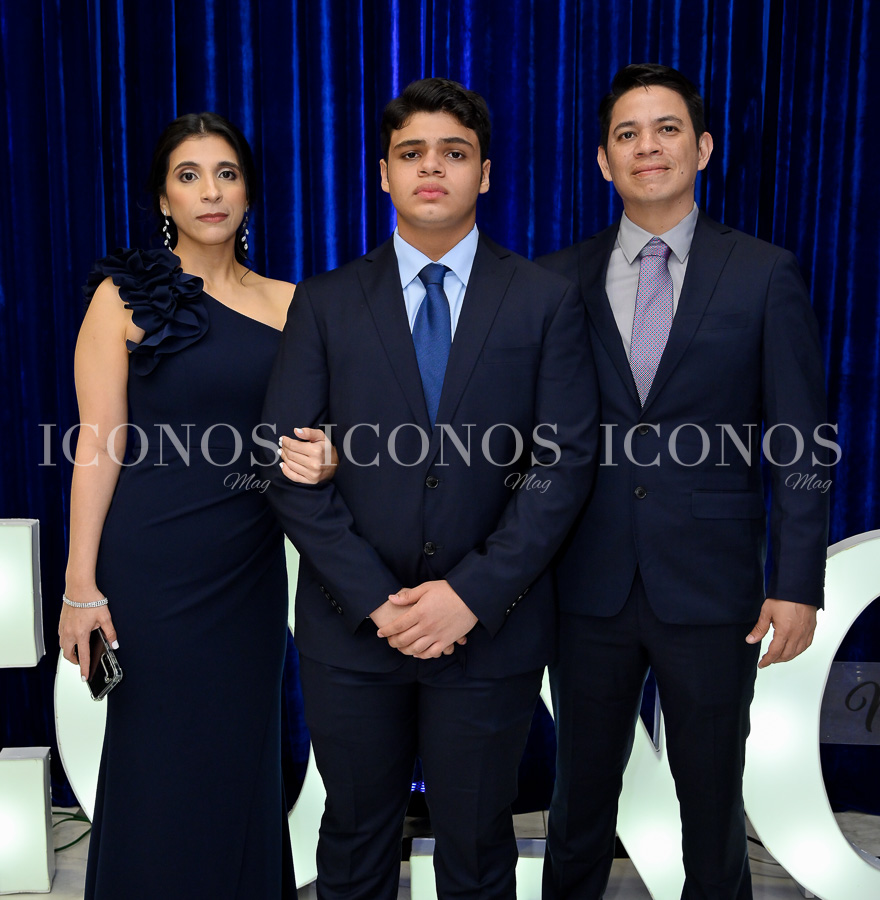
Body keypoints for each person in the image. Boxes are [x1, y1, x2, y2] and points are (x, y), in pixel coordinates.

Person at [263, 77, 598, 899]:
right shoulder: (326, 302)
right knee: (353, 841)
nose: (432, 168)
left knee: (478, 849)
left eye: (454, 152)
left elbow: (563, 465)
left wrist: (470, 595)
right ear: (384, 174)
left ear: (485, 173)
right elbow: (287, 464)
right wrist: (378, 601)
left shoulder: (545, 301)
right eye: (411, 153)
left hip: (491, 631)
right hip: (351, 629)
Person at [539, 64, 830, 899]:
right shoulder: (556, 280)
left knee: (711, 807)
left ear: (701, 148)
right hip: (584, 585)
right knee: (578, 806)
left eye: (666, 129)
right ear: (604, 160)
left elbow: (800, 439)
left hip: (712, 587)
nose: (648, 147)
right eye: (627, 134)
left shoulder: (763, 273)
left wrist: (796, 582)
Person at [58, 112, 334, 899]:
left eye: (226, 174)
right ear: (163, 198)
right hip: (151, 569)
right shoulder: (122, 298)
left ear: (248, 193)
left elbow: (334, 429)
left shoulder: (294, 304)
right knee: (157, 765)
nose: (210, 191)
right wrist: (80, 586)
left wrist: (331, 453)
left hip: (248, 571)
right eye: (189, 175)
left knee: (240, 762)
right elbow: (97, 444)